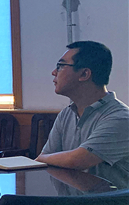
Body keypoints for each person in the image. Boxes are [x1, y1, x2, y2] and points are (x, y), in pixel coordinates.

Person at [36, 41, 129, 189]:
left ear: (84, 74)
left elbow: (78, 160)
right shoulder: (66, 114)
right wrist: (43, 159)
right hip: (72, 202)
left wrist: (42, 158)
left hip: (111, 203)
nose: (54, 72)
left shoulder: (120, 118)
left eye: (60, 66)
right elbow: (45, 160)